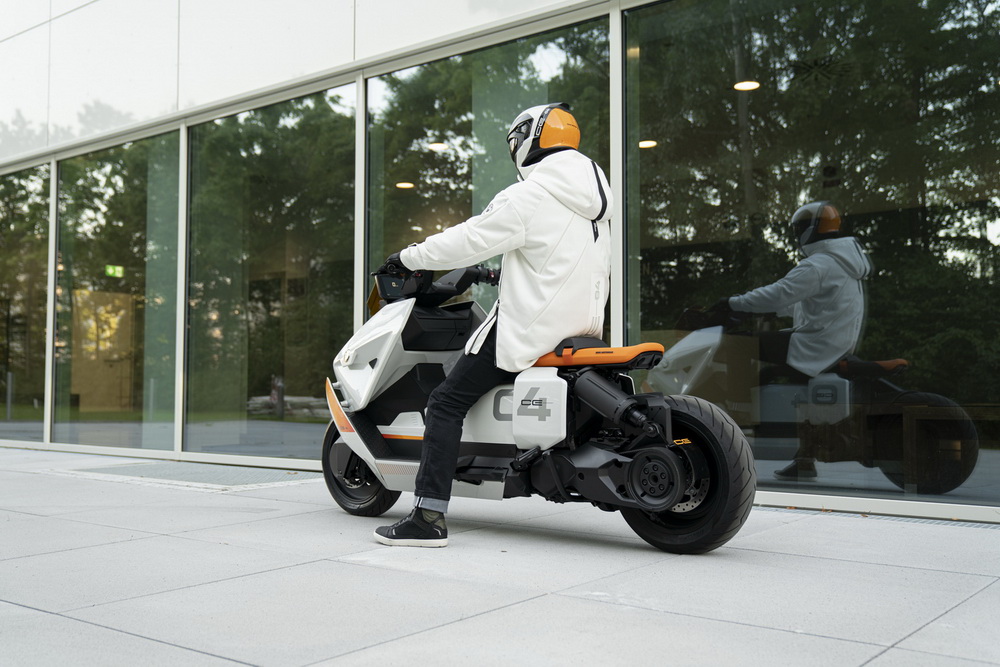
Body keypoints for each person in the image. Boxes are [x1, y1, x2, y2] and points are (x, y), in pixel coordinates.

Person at [373, 102, 613, 547]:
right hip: (581, 327)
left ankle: (428, 516)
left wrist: (407, 256)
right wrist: (502, 273)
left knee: (445, 402)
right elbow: (554, 263)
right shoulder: (593, 203)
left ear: (528, 140)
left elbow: (469, 238)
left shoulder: (530, 194)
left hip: (531, 328)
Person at [711, 201, 872, 480]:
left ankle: (738, 416)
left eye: (799, 229)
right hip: (832, 343)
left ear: (809, 230)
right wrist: (767, 310)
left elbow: (780, 293)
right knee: (776, 381)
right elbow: (808, 304)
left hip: (816, 345)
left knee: (738, 344)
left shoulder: (819, 264)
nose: (797, 234)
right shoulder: (843, 263)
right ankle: (804, 461)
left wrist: (733, 303)